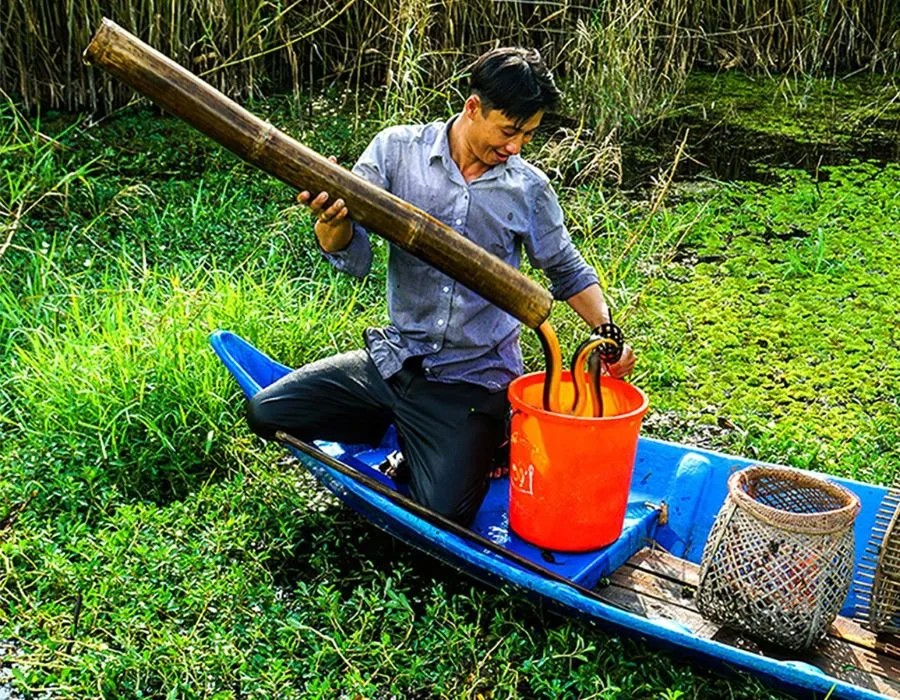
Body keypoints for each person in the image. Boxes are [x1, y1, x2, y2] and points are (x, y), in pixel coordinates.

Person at [247, 47, 635, 526]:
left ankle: (469, 438)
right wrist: (330, 220)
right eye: (508, 131)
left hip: (472, 381)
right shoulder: (396, 151)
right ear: (473, 108)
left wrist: (607, 330)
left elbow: (567, 268)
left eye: (528, 135)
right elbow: (351, 254)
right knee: (267, 413)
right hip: (393, 360)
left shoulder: (528, 188)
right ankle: (399, 430)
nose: (516, 147)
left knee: (445, 514)